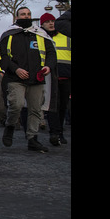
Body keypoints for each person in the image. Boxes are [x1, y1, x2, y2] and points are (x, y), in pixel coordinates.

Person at [0, 7, 57, 153]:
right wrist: (16, 69)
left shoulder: (41, 34)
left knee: (36, 110)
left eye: (29, 14)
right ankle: (10, 126)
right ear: (17, 17)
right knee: (16, 105)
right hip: (15, 77)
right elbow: (3, 57)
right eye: (23, 14)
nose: (26, 16)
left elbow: (51, 53)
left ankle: (32, 139)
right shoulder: (9, 35)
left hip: (37, 78)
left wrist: (48, 67)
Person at [40, 12, 71, 146]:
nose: (51, 23)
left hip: (66, 75)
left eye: (53, 21)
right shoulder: (42, 38)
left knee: (63, 106)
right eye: (47, 22)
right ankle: (55, 133)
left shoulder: (66, 36)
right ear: (42, 24)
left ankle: (59, 132)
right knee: (53, 106)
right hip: (50, 75)